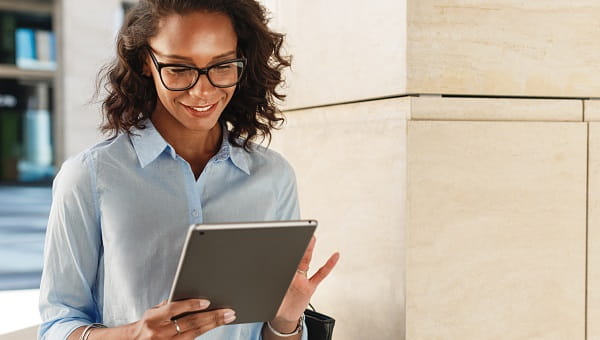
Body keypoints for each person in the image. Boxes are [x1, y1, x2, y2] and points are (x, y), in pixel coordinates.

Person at [38, 0, 339, 339]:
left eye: (222, 65)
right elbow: (56, 327)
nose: (202, 91)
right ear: (145, 62)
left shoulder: (273, 176)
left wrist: (285, 321)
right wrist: (134, 335)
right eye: (179, 69)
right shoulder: (89, 176)